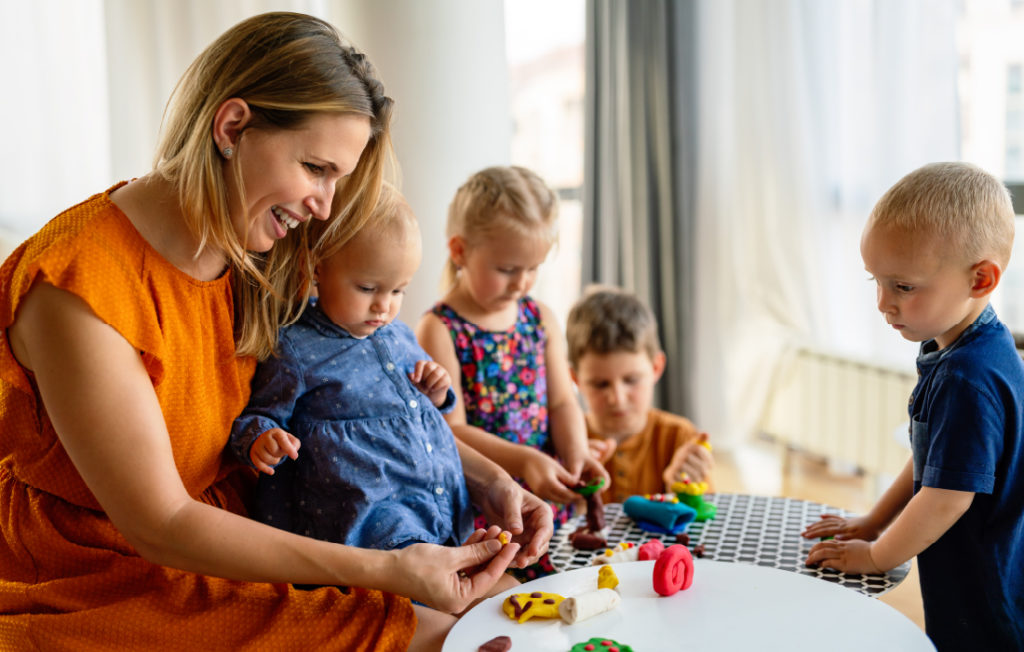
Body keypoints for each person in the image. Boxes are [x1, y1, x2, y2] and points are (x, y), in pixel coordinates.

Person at [0, 13, 550, 651]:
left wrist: (491, 480)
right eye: (317, 167)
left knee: (480, 627)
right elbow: (160, 523)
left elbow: (367, 414)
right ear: (232, 127)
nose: (325, 203)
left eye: (338, 178)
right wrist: (386, 573)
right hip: (101, 573)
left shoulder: (262, 253)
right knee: (437, 637)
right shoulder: (78, 287)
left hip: (249, 532)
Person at [229, 183, 518, 599]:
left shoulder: (399, 335)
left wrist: (437, 392)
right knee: (449, 606)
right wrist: (262, 439)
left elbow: (427, 412)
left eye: (398, 290)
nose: (384, 306)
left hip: (437, 506)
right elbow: (262, 415)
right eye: (367, 288)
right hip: (368, 520)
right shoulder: (295, 347)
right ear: (318, 267)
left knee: (508, 591)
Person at [803, 162, 1024, 650]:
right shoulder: (959, 345)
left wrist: (877, 555)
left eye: (903, 286)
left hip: (984, 596)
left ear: (981, 278)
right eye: (875, 282)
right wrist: (873, 520)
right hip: (971, 576)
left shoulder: (969, 377)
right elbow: (934, 462)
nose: (884, 303)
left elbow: (945, 497)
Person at [417, 165, 608, 578]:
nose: (522, 282)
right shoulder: (439, 329)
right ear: (460, 250)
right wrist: (526, 460)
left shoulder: (540, 317)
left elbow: (561, 402)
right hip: (484, 506)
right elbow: (451, 431)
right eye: (507, 269)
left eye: (534, 268)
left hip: (545, 491)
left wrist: (575, 455)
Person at [565, 285, 714, 504]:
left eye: (631, 380)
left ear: (656, 367)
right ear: (575, 378)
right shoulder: (564, 442)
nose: (617, 398)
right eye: (600, 384)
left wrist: (682, 490)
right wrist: (571, 488)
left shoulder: (678, 438)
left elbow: (707, 524)